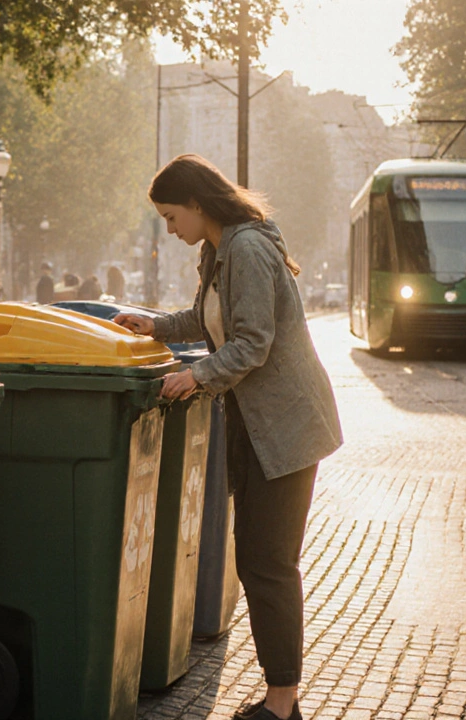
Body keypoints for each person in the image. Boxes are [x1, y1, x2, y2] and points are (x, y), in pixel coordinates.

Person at [114, 154, 341, 720]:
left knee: (268, 562)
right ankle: (280, 695)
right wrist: (156, 325)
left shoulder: (246, 247)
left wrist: (196, 375)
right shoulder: (220, 249)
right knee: (259, 559)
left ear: (196, 203)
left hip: (285, 427)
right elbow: (206, 319)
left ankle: (283, 704)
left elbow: (253, 341)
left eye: (171, 217)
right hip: (257, 425)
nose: (169, 230)